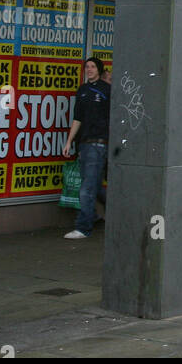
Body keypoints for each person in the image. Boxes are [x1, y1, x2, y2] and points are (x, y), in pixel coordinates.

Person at [60, 57, 110, 240]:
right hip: (84, 143)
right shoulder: (82, 90)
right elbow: (77, 118)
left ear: (99, 69)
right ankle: (107, 213)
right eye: (86, 67)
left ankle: (83, 227)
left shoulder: (106, 91)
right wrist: (69, 141)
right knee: (94, 185)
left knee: (87, 187)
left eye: (92, 67)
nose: (89, 69)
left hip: (99, 143)